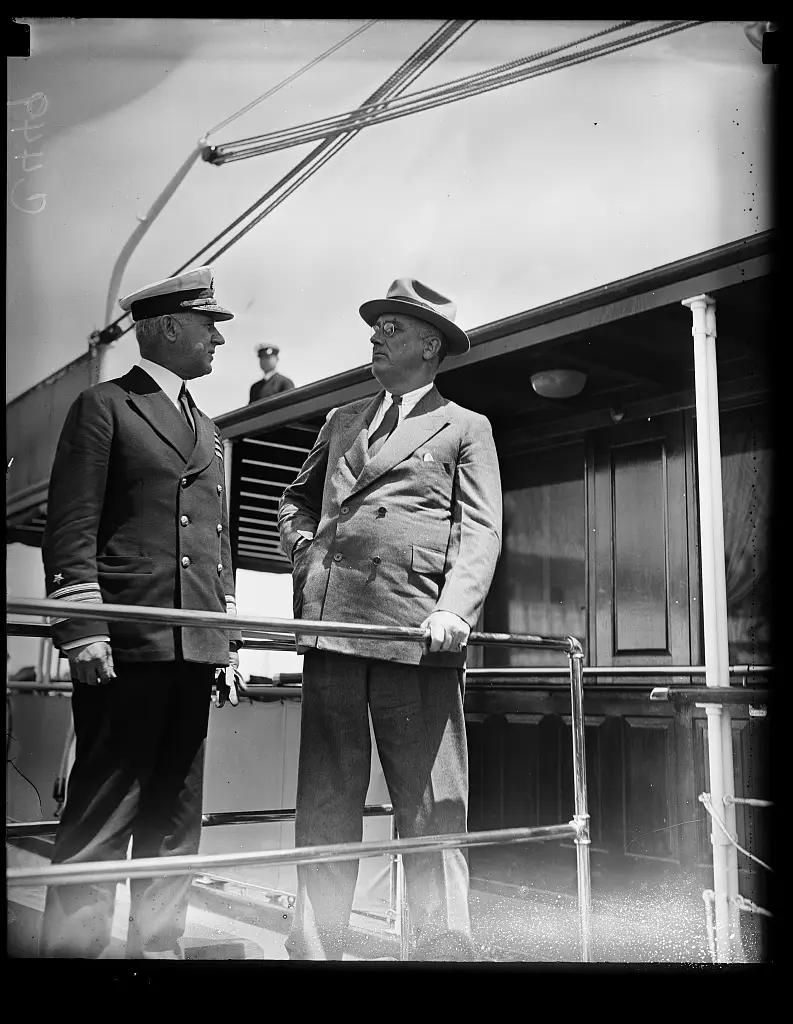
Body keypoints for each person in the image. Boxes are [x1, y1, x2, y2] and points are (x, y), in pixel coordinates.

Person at [278, 278, 502, 961]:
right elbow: (294, 500)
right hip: (335, 628)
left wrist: (454, 610)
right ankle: (317, 948)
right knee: (325, 803)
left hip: (416, 637)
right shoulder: (342, 420)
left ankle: (438, 951)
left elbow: (481, 530)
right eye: (375, 327)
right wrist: (307, 559)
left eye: (392, 329)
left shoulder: (466, 427)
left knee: (431, 805)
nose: (375, 336)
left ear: (428, 346)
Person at [39, 266, 242, 959]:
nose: (218, 337)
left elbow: (216, 546)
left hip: (193, 649)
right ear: (164, 328)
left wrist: (226, 641)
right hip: (124, 645)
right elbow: (70, 525)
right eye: (208, 323)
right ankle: (74, 953)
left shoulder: (212, 431)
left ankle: (159, 947)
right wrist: (84, 628)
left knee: (174, 818)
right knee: (102, 815)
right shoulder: (105, 406)